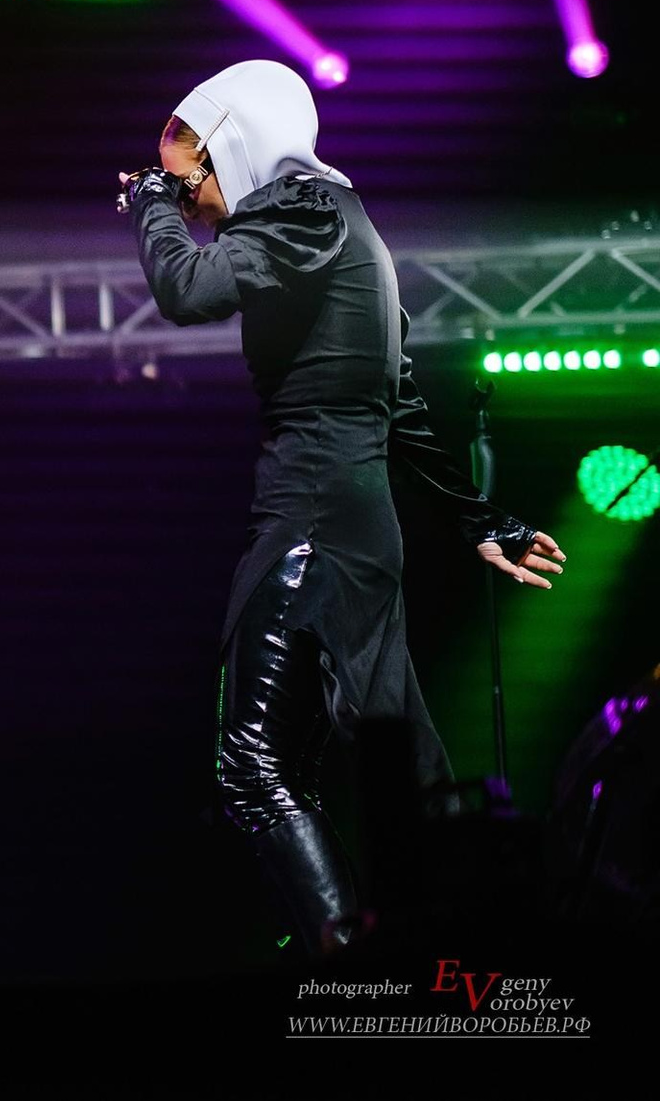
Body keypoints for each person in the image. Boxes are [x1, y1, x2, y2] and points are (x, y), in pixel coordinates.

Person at [118, 61, 567, 954]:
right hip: (353, 522)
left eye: (190, 182)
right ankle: (446, 947)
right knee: (396, 773)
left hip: (313, 520)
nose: (193, 206)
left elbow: (186, 291)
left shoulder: (301, 211)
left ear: (233, 149)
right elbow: (400, 404)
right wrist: (483, 520)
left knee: (255, 767)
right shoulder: (343, 221)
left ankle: (350, 968)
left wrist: (150, 207)